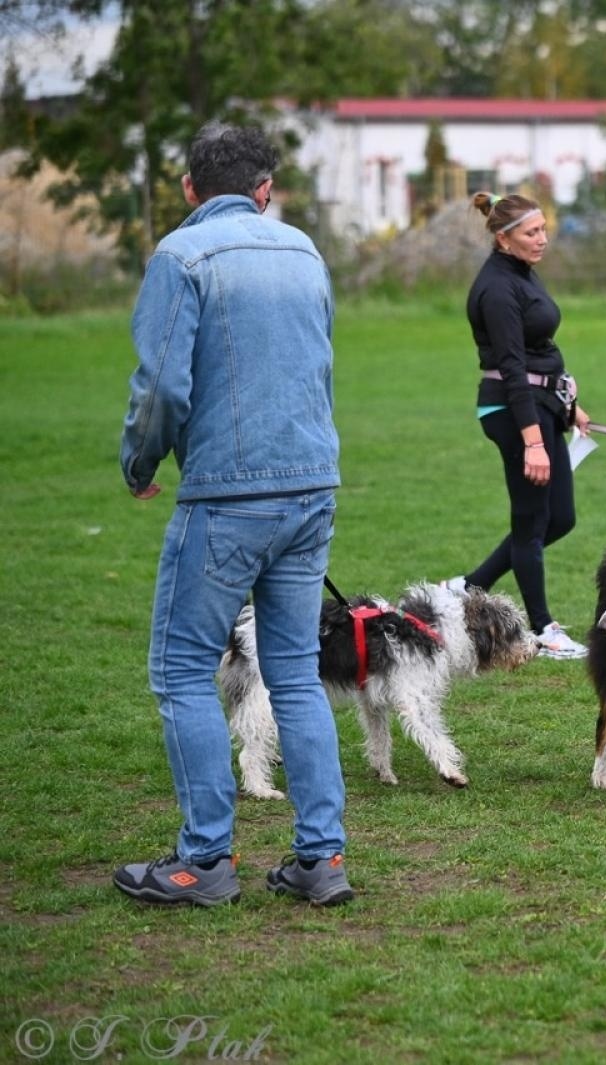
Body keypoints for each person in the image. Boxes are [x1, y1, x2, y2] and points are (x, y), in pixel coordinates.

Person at [116, 122, 353, 907]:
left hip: (227, 495)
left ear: (189, 189)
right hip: (312, 486)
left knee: (181, 668)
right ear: (264, 190)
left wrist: (140, 462)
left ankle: (204, 860)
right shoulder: (305, 251)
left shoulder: (180, 257)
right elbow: (317, 363)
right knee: (294, 672)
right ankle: (322, 858)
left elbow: (160, 390)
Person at [450, 191, 591, 660]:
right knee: (531, 523)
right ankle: (543, 630)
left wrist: (570, 405)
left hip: (541, 404)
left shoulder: (521, 275)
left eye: (544, 229)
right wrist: (533, 441)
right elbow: (512, 367)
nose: (542, 239)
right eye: (532, 232)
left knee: (561, 518)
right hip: (513, 413)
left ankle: (469, 586)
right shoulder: (496, 288)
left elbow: (539, 352)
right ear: (502, 237)